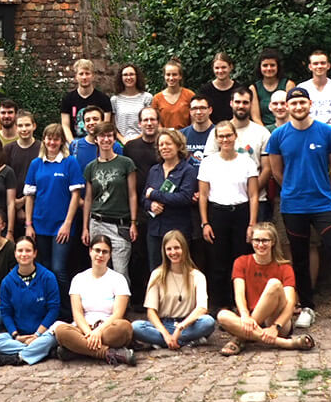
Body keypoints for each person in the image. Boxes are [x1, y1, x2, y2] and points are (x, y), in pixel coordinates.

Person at [266, 87, 331, 330]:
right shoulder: (278, 136)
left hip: (324, 204)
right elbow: (277, 173)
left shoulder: (327, 132)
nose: (298, 107)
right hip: (293, 206)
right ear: (287, 107)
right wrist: (294, 189)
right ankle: (307, 306)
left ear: (310, 103)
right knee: (298, 258)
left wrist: (321, 188)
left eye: (302, 102)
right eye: (293, 103)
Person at [216, 223, 315, 355]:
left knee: (274, 284)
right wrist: (245, 315)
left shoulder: (285, 267)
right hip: (249, 319)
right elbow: (239, 295)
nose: (260, 244)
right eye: (257, 240)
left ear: (273, 242)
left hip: (277, 321)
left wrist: (275, 326)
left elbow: (290, 303)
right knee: (222, 315)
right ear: (251, 241)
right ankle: (286, 343)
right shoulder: (241, 262)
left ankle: (240, 338)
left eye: (265, 240)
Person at [198, 120, 259, 311]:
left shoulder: (247, 161)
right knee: (218, 261)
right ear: (216, 139)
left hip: (241, 213)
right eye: (221, 136)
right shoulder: (209, 162)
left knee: (240, 259)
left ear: (235, 136)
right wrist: (205, 223)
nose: (225, 139)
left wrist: (252, 224)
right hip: (217, 213)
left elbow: (254, 195)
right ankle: (219, 305)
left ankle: (239, 303)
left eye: (228, 135)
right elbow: (203, 195)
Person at [23, 123, 84, 315]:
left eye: (56, 138)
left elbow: (76, 196)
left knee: (59, 269)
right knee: (44, 268)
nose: (52, 142)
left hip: (62, 226)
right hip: (40, 224)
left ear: (61, 141)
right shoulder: (36, 164)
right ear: (44, 139)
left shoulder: (70, 162)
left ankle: (67, 310)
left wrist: (67, 224)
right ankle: (48, 309)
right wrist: (28, 224)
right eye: (49, 138)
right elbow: (29, 196)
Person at [53, 236, 136, 365]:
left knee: (125, 328)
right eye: (97, 250)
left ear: (110, 255)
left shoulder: (118, 279)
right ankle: (109, 353)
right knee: (61, 331)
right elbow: (77, 314)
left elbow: (118, 314)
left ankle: (77, 349)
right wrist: (90, 333)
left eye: (105, 252)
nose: (100, 255)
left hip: (108, 328)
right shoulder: (78, 279)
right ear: (90, 251)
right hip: (84, 328)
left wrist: (98, 331)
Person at [131, 230, 216, 349]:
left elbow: (202, 308)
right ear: (164, 252)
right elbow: (151, 311)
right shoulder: (157, 275)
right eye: (169, 249)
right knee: (136, 327)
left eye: (177, 248)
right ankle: (184, 341)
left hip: (188, 324)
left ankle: (167, 342)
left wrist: (180, 328)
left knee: (208, 322)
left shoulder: (197, 276)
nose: (173, 252)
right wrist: (166, 334)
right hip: (163, 325)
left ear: (184, 249)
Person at [0, 236, 60, 367]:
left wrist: (37, 334)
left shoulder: (48, 277)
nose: (24, 254)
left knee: (57, 333)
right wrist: (16, 336)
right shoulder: (7, 282)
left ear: (35, 253)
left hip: (43, 333)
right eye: (20, 251)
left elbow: (53, 309)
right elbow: (6, 312)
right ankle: (43, 352)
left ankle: (16, 358)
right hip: (20, 336)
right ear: (15, 254)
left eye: (28, 251)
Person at [203, 87, 272, 223]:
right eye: (238, 102)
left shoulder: (262, 133)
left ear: (251, 104)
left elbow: (267, 169)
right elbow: (209, 167)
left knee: (258, 243)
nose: (241, 106)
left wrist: (249, 192)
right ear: (231, 103)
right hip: (225, 202)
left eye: (245, 102)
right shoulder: (218, 131)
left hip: (257, 200)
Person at [81, 122, 138, 284]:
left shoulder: (126, 163)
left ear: (114, 139)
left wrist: (133, 222)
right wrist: (85, 228)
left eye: (109, 136)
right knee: (98, 268)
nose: (106, 139)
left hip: (120, 224)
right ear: (96, 139)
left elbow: (132, 195)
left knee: (120, 272)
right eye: (102, 136)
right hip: (97, 222)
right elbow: (88, 199)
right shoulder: (91, 167)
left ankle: (122, 307)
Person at [143, 129, 198, 273]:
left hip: (177, 230)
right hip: (155, 231)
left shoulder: (188, 170)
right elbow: (145, 198)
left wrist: (155, 194)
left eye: (168, 143)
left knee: (179, 271)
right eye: (161, 144)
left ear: (179, 146)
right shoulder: (154, 170)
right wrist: (151, 205)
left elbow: (184, 197)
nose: (164, 147)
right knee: (156, 271)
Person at [62, 58, 113, 143]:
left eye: (87, 74)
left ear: (93, 76)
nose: (84, 77)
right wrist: (72, 143)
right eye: (81, 74)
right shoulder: (68, 99)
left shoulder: (104, 99)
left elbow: (105, 125)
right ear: (76, 77)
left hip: (98, 141)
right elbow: (65, 125)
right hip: (74, 141)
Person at [297, 50, 331, 132]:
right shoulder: (302, 88)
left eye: (323, 63)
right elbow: (299, 116)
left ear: (328, 66)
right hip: (308, 132)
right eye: (315, 63)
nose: (319, 66)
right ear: (310, 67)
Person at [5, 111, 40, 224]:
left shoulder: (42, 149)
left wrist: (24, 201)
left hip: (37, 205)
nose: (24, 129)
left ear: (34, 126)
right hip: (12, 206)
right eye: (20, 125)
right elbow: (4, 179)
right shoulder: (8, 149)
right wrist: (17, 206)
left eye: (27, 125)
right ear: (15, 127)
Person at [69, 105, 123, 174]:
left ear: (102, 121)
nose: (91, 122)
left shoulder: (114, 146)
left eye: (95, 119)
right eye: (87, 120)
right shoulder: (75, 146)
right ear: (84, 124)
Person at [250, 48, 295, 126]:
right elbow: (256, 117)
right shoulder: (254, 88)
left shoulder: (288, 85)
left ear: (278, 66)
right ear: (260, 67)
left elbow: (292, 111)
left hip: (286, 127)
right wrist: (265, 133)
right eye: (265, 65)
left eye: (272, 65)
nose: (269, 68)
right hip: (264, 130)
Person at [112, 63, 153, 143]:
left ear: (137, 76)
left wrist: (136, 139)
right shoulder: (115, 100)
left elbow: (151, 122)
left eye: (131, 74)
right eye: (125, 75)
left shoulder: (147, 97)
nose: (128, 77)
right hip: (122, 143)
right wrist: (122, 140)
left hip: (143, 141)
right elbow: (112, 124)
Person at [152, 58, 195, 130]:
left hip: (186, 137)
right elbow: (155, 122)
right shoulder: (157, 98)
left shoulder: (189, 95)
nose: (171, 78)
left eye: (174, 75)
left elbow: (195, 120)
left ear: (180, 76)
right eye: (168, 75)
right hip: (165, 137)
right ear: (164, 76)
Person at [196, 52, 239, 123]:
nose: (220, 71)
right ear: (213, 69)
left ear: (231, 67)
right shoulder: (205, 91)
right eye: (217, 68)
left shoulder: (239, 89)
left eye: (223, 67)